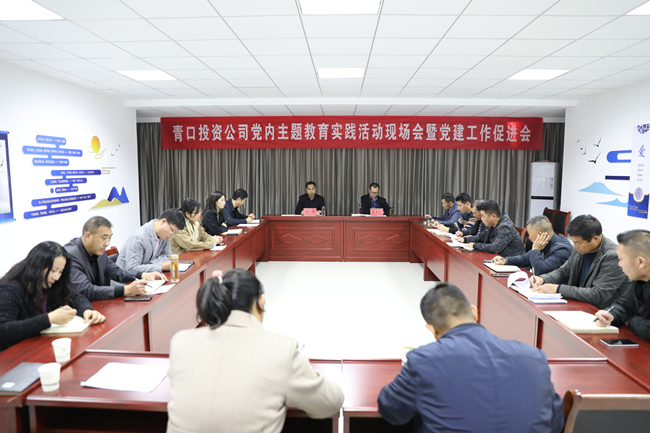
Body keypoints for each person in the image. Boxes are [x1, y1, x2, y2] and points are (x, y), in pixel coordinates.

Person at [167, 269, 344, 433]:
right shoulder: (282, 350)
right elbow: (331, 403)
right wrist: (305, 368)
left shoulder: (181, 341)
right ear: (261, 301)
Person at [377, 283, 564, 433]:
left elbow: (392, 411)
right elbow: (555, 422)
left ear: (432, 329)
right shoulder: (533, 358)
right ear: (474, 312)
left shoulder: (423, 361)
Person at [0, 241, 106, 352]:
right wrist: (49, 319)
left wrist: (87, 310)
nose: (56, 277)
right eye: (53, 270)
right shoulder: (10, 289)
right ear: (37, 266)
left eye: (60, 271)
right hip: (13, 354)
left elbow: (74, 296)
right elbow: (3, 330)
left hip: (40, 346)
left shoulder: (52, 283)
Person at [530, 215, 628, 309]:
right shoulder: (579, 250)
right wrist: (543, 279)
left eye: (577, 242)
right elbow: (563, 272)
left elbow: (598, 295)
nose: (574, 246)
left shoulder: (613, 256)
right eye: (573, 242)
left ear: (595, 239)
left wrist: (558, 289)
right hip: (579, 304)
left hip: (603, 312)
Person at [64, 216, 167, 302]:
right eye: (104, 238)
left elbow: (117, 272)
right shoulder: (71, 255)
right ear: (88, 236)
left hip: (98, 304)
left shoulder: (98, 251)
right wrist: (126, 290)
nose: (107, 243)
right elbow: (85, 290)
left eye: (109, 238)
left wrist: (143, 275)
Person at [595, 230, 650, 340]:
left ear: (640, 262)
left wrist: (631, 320)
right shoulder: (639, 278)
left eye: (621, 259)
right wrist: (611, 314)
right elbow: (625, 305)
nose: (619, 264)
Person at [492, 215, 572, 275]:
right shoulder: (544, 242)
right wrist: (506, 260)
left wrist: (535, 249)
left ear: (539, 234)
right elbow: (525, 258)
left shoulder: (562, 249)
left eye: (529, 234)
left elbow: (540, 270)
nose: (529, 238)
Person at [117, 209, 186, 273]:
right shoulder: (138, 237)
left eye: (175, 233)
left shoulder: (164, 235)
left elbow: (167, 255)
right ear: (163, 221)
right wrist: (161, 266)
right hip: (127, 279)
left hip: (149, 275)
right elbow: (132, 268)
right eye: (172, 231)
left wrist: (150, 264)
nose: (172, 235)